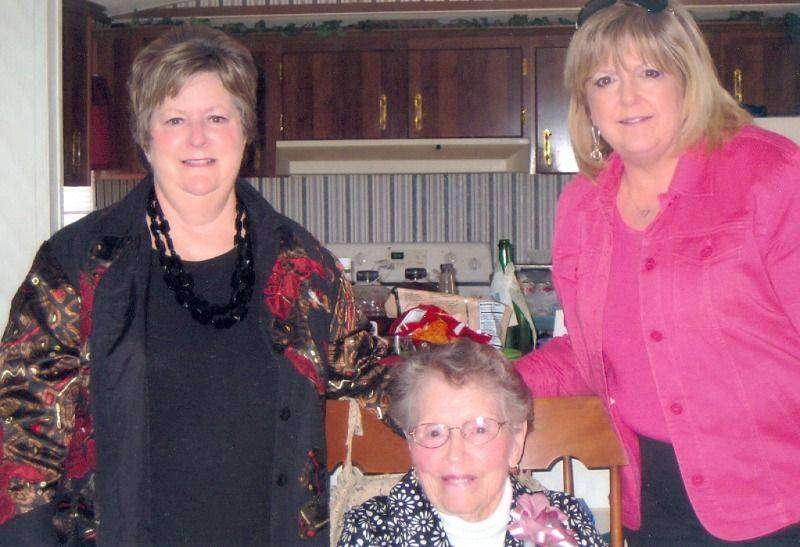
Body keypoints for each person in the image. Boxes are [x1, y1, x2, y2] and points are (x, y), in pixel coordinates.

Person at [0, 25, 388, 545]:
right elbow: (21, 436)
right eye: (175, 119)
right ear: (146, 136)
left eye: (217, 118)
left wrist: (465, 383)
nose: (198, 138)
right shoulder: (78, 264)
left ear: (245, 132)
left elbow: (362, 371)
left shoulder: (299, 263)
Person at [515, 0, 800, 545]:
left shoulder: (769, 173)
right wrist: (494, 380)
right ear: (586, 102)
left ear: (689, 80)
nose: (627, 97)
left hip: (780, 500)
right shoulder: (581, 208)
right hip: (654, 504)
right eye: (604, 80)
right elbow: (593, 353)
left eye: (650, 72)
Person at [338, 338, 606, 546]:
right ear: (411, 443)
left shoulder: (564, 524)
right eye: (434, 432)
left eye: (479, 429)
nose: (455, 454)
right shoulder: (371, 532)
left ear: (516, 442)